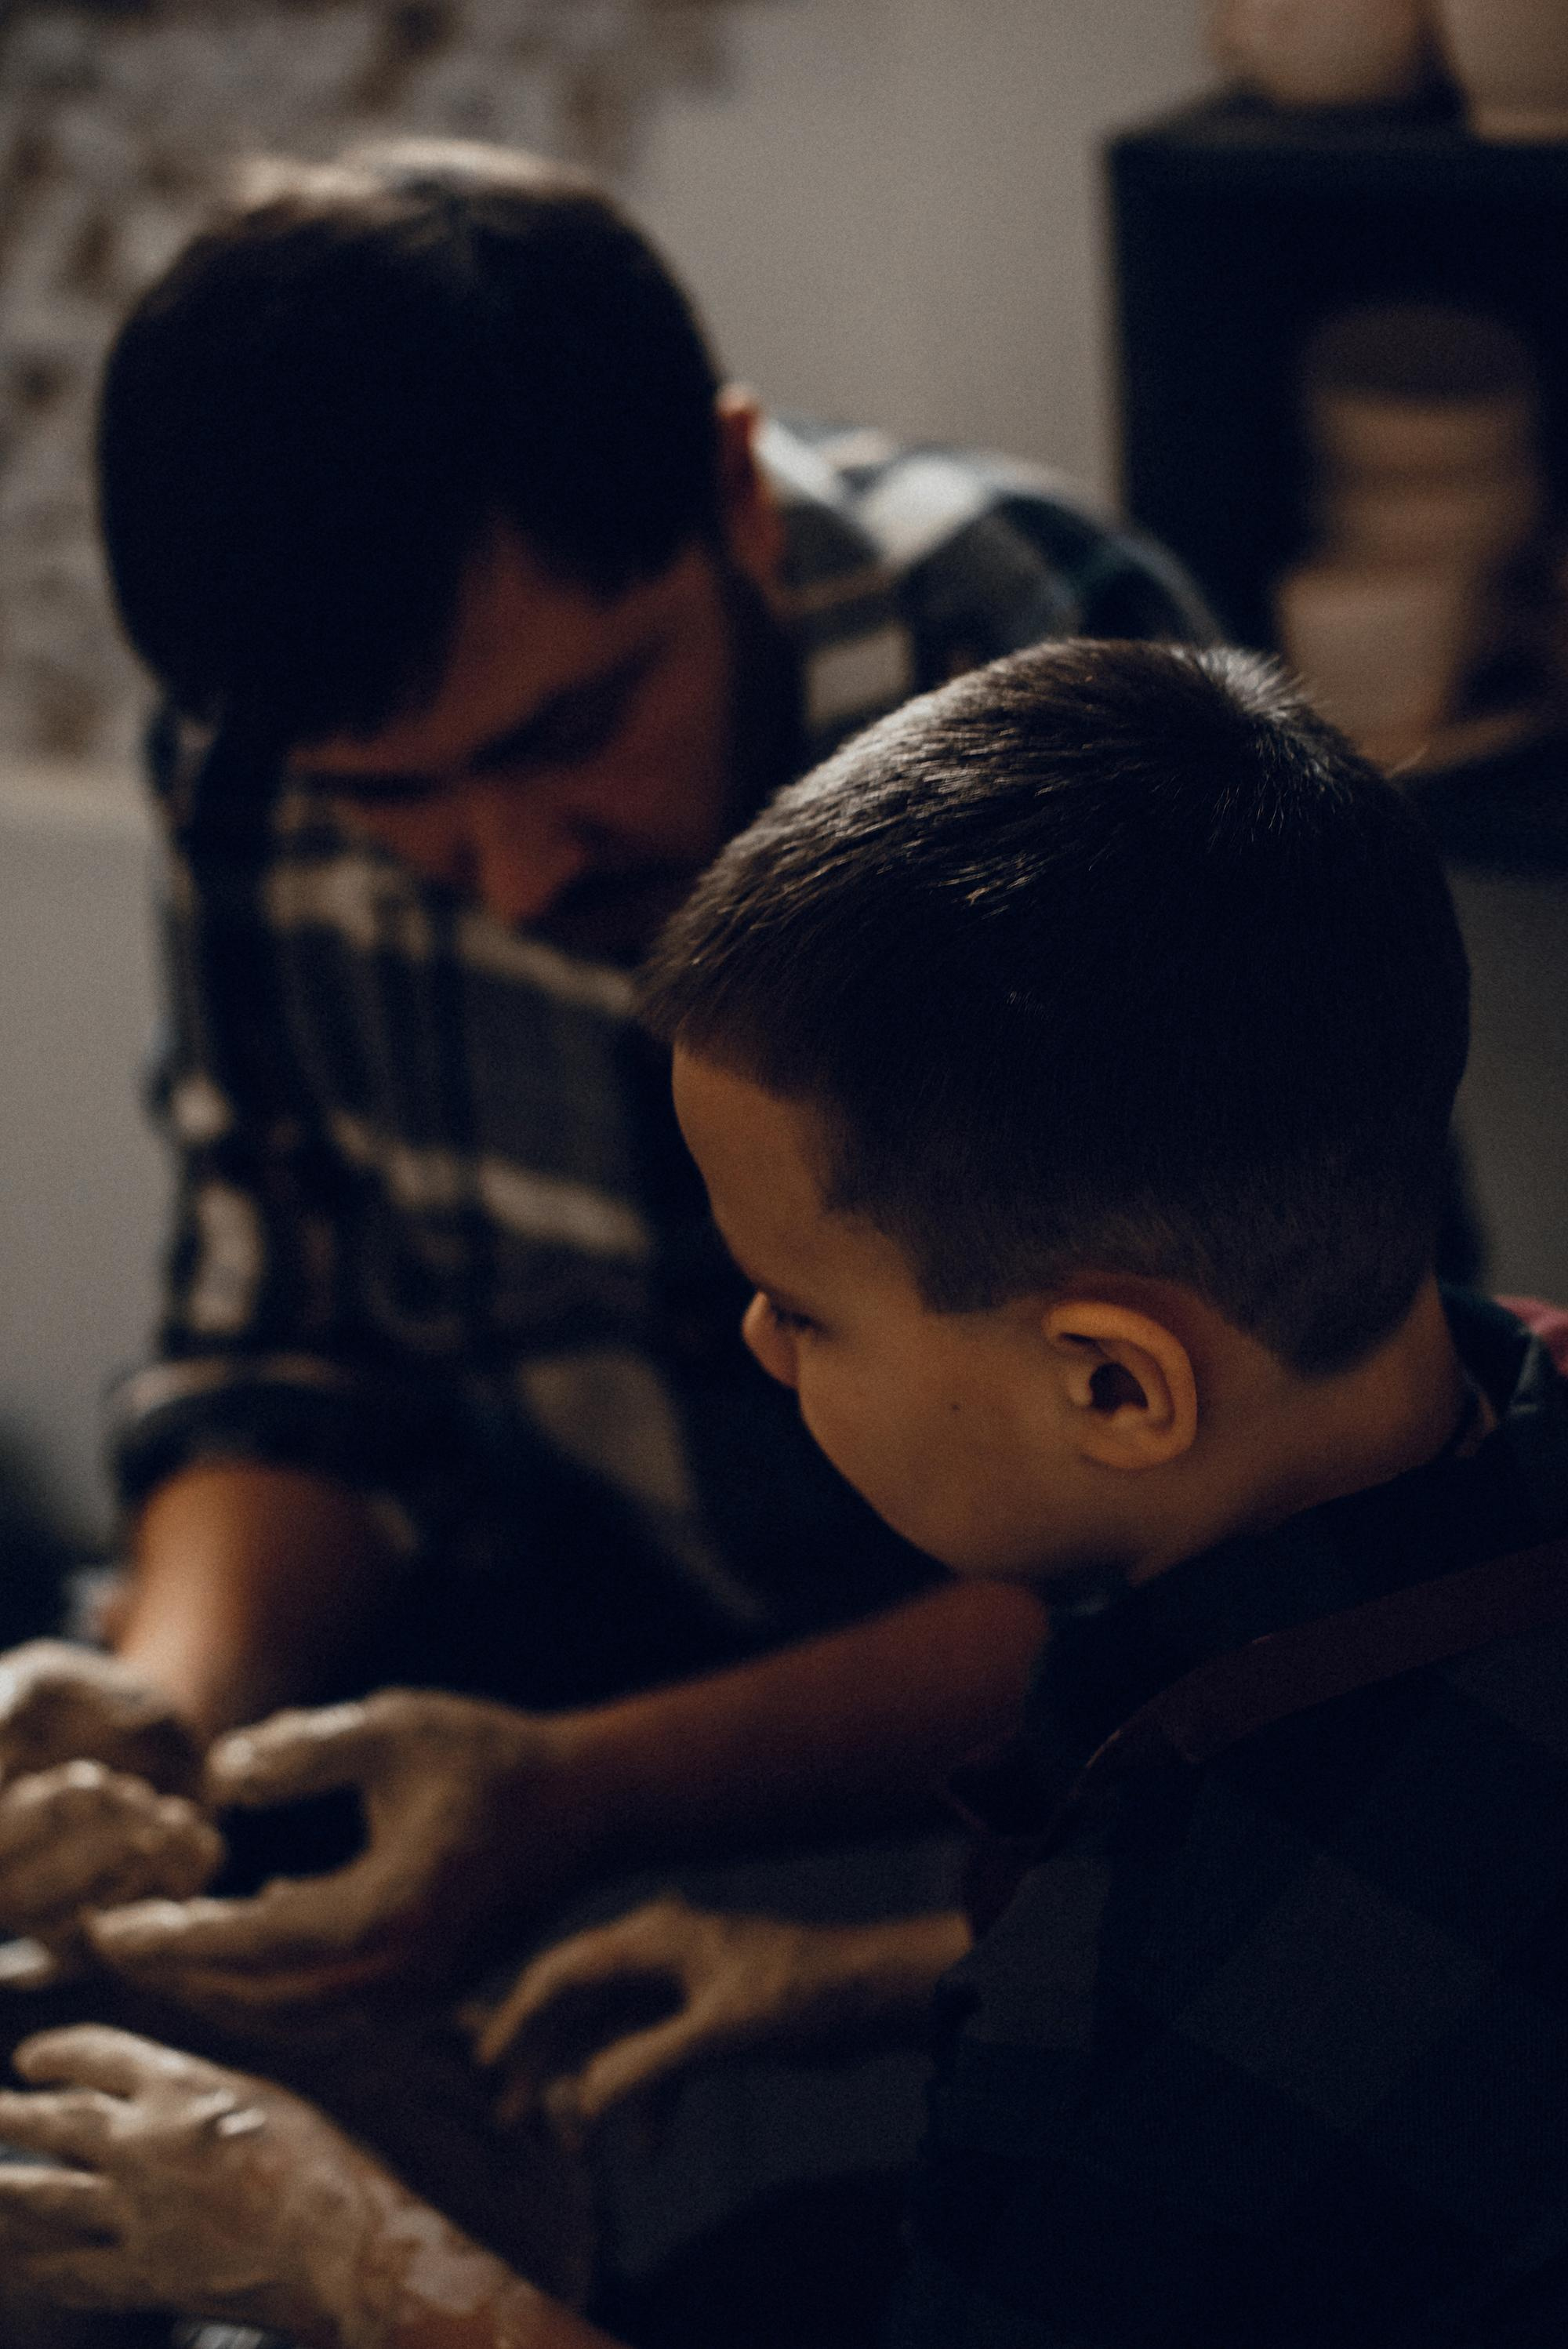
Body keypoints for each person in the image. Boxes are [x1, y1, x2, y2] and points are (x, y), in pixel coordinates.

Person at [5, 639, 1566, 2347]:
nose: (753, 1340)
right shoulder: (1507, 1404)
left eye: (801, 1306)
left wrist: (343, 2251)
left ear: (1114, 1382)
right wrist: (855, 1974)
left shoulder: (1230, 1960)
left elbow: (1224, 2053)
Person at [0, 139, 1214, 1998]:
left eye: (571, 728)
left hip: (1064, 1739)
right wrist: (165, 1709)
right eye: (389, 799)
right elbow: (296, 1354)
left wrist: (579, 1795)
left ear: (730, 492)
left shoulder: (1046, 679)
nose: (510, 872)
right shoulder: (256, 748)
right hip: (546, 1644)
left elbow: (1216, 1528)